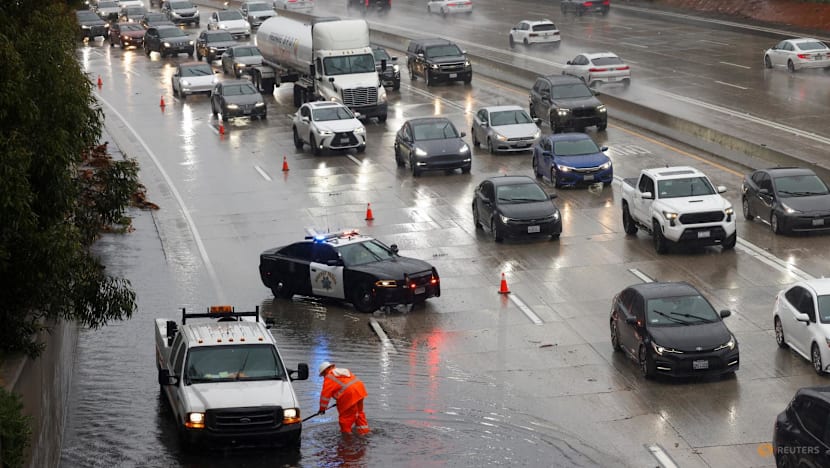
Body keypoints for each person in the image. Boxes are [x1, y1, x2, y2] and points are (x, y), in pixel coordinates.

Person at [318, 361, 370, 435]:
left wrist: (322, 409)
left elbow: (325, 396)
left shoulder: (329, 376)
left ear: (326, 370)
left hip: (349, 395)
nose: (323, 376)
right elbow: (344, 385)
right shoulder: (342, 371)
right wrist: (340, 400)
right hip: (360, 391)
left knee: (345, 419)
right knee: (359, 414)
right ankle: (364, 433)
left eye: (323, 374)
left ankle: (346, 438)